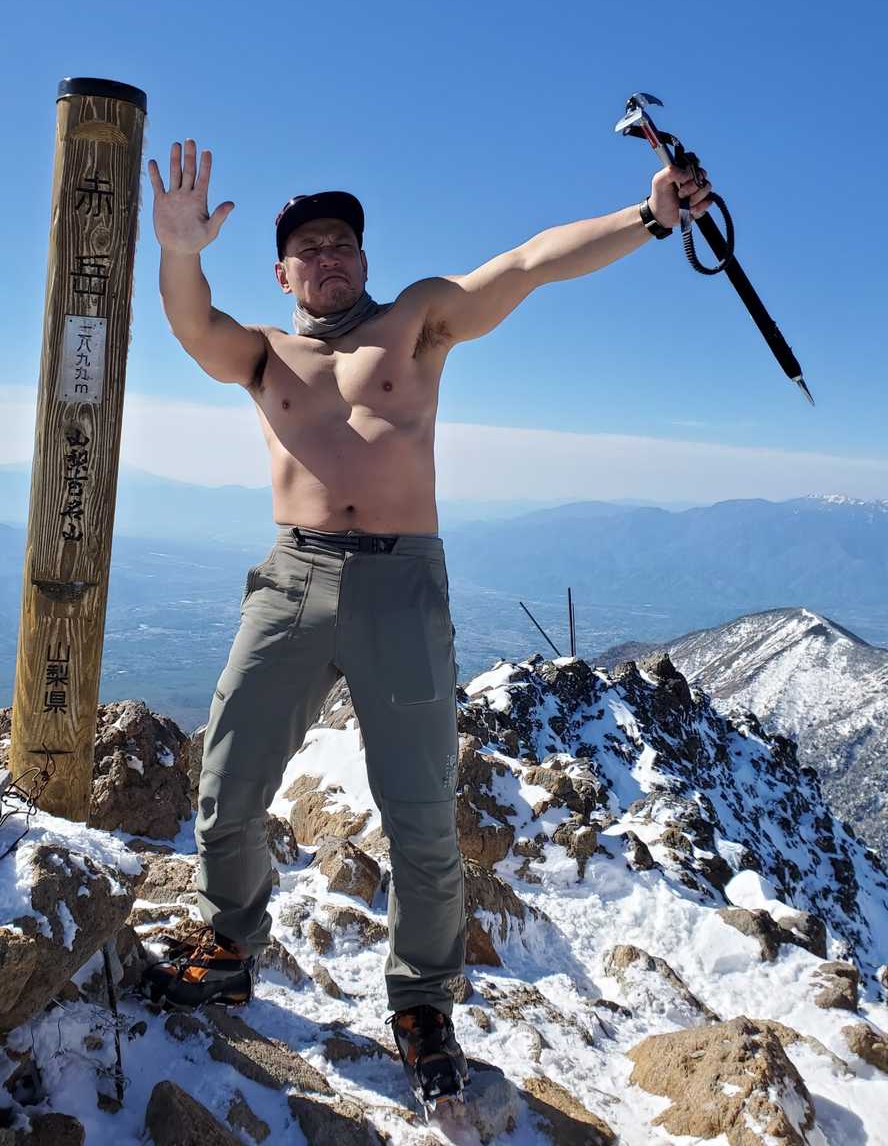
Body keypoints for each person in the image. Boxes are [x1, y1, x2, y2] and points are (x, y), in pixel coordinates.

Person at [142, 136, 712, 1104]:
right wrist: (179, 251)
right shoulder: (263, 353)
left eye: (342, 243)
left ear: (364, 257)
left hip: (402, 584)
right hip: (292, 579)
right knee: (229, 781)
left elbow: (527, 266)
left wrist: (649, 216)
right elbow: (192, 326)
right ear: (282, 273)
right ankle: (230, 943)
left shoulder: (415, 322)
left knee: (419, 813)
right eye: (308, 249)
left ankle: (421, 1004)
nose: (328, 257)